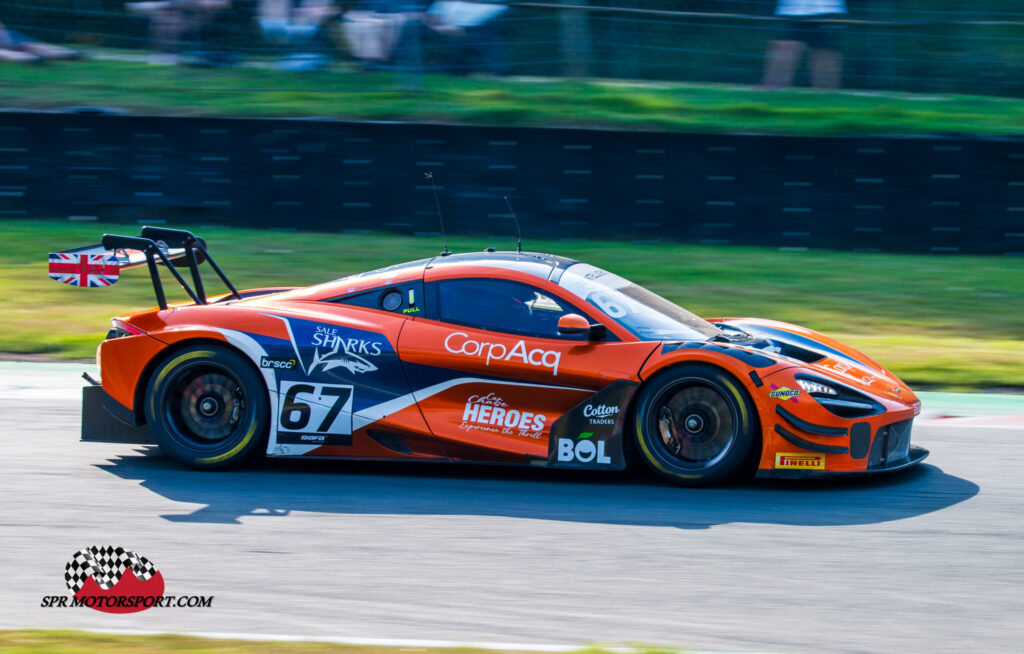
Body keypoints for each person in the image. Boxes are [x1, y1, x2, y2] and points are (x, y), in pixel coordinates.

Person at [760, 0, 848, 90]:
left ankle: (826, 95)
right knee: (785, 48)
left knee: (824, 55)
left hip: (828, 10)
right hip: (790, 11)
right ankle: (771, 91)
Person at [126, 1, 233, 65]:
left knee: (169, 16)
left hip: (202, 20)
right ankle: (163, 55)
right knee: (164, 17)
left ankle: (167, 55)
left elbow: (222, 4)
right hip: (182, 15)